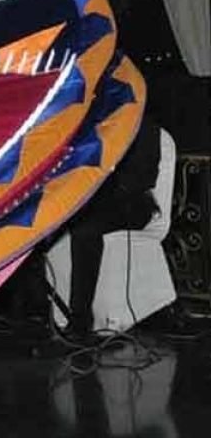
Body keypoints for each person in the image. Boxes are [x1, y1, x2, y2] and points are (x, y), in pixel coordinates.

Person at [65, 116, 162, 340]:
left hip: (132, 203)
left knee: (85, 230)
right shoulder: (95, 118)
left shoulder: (143, 122)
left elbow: (144, 177)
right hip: (93, 200)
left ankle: (80, 321)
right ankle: (31, 313)